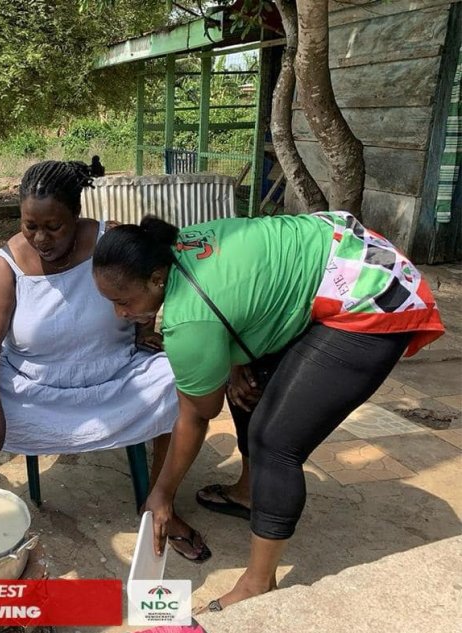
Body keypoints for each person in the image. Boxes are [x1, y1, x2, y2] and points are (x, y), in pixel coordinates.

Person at [92, 211, 444, 610]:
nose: (119, 314)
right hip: (344, 247)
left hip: (375, 293)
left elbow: (197, 414)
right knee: (251, 383)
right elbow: (242, 299)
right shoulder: (176, 243)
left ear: (157, 279)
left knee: (274, 441)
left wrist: (161, 494)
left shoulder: (188, 321)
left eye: (123, 302)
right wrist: (235, 362)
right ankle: (248, 494)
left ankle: (259, 583)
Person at [0, 161, 198, 556]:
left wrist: (146, 323)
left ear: (76, 214)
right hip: (34, 387)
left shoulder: (109, 241)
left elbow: (157, 280)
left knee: (181, 380)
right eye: (30, 226)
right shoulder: (6, 264)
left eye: (53, 226)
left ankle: (160, 504)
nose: (41, 238)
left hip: (115, 377)